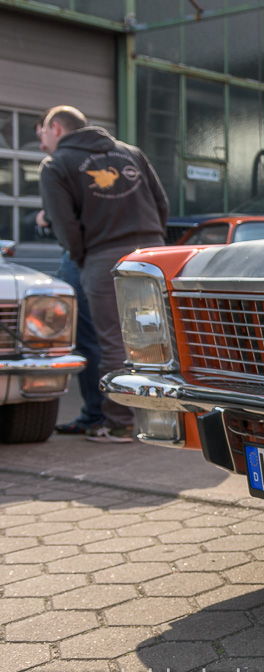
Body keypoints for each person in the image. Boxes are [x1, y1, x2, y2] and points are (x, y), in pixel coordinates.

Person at [38, 106, 169, 443]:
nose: (40, 140)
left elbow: (66, 227)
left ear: (55, 128)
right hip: (152, 256)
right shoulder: (131, 152)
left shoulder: (56, 165)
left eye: (42, 132)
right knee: (155, 338)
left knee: (111, 340)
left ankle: (119, 423)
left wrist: (85, 259)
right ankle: (166, 419)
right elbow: (161, 203)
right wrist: (153, 240)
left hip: (103, 257)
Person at [35, 207, 105, 436]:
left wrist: (46, 217)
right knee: (121, 337)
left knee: (88, 338)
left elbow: (52, 216)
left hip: (85, 254)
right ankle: (120, 415)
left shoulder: (63, 171)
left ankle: (97, 415)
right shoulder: (133, 173)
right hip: (123, 252)